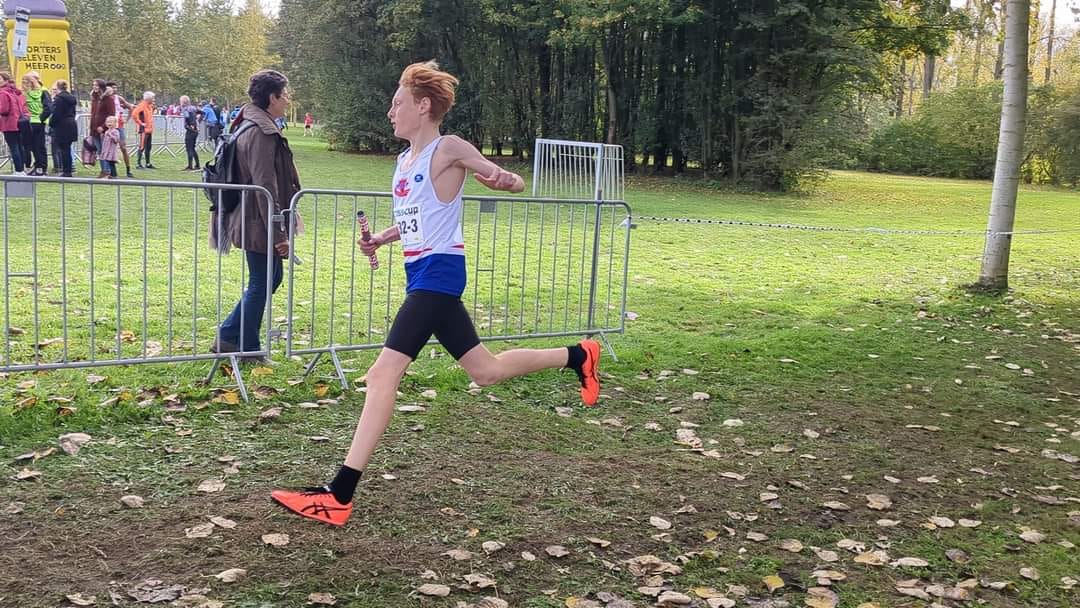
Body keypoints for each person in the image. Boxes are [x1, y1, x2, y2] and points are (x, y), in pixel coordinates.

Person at [270, 61, 601, 527]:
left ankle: (338, 494)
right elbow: (416, 217)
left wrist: (501, 179)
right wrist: (381, 239)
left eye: (397, 103)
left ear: (423, 106)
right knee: (486, 370)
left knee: (382, 375)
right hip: (421, 273)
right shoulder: (403, 162)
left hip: (439, 276)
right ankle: (579, 355)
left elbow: (512, 180)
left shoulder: (448, 147)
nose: (391, 111)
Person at [209, 70, 299, 361]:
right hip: (256, 220)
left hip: (253, 217)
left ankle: (232, 336)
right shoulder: (261, 131)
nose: (287, 100)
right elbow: (265, 185)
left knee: (270, 278)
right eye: (285, 95)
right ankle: (243, 345)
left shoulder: (249, 124)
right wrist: (279, 233)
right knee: (263, 281)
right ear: (272, 97)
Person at [22, 73, 51, 175]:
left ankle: (40, 166)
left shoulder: (29, 93)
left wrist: (40, 118)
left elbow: (48, 108)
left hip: (33, 121)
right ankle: (40, 166)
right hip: (36, 121)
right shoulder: (41, 91)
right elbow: (48, 107)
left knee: (36, 146)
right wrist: (42, 118)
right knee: (37, 146)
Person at [0, 73, 30, 174]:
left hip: (9, 124)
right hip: (18, 122)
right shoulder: (14, 92)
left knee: (14, 147)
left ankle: (18, 170)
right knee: (19, 146)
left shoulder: (3, 93)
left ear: (5, 80)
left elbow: (4, 110)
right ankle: (22, 168)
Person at [48, 79, 78, 177]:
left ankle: (66, 171)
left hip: (62, 125)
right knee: (67, 148)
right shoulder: (72, 98)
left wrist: (51, 123)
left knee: (63, 149)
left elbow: (56, 113)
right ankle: (68, 169)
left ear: (58, 88)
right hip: (71, 123)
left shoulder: (59, 99)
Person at [105, 81, 135, 177]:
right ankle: (110, 171)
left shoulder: (119, 98)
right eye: (112, 87)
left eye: (116, 87)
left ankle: (128, 169)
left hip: (119, 126)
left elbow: (130, 107)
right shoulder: (104, 98)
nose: (115, 89)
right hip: (109, 126)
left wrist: (127, 119)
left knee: (123, 148)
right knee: (108, 149)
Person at [131, 91, 156, 169]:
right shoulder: (141, 106)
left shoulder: (150, 106)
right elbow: (134, 114)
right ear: (148, 98)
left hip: (149, 129)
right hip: (144, 130)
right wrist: (141, 123)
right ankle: (138, 164)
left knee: (148, 146)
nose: (154, 99)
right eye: (153, 98)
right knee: (142, 146)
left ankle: (148, 163)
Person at [180, 95, 200, 171]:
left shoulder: (185, 109)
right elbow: (203, 113)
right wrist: (198, 121)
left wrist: (190, 125)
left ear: (183, 102)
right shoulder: (194, 108)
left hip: (190, 130)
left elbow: (187, 117)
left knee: (189, 148)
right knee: (193, 148)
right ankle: (197, 165)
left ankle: (190, 166)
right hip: (195, 130)